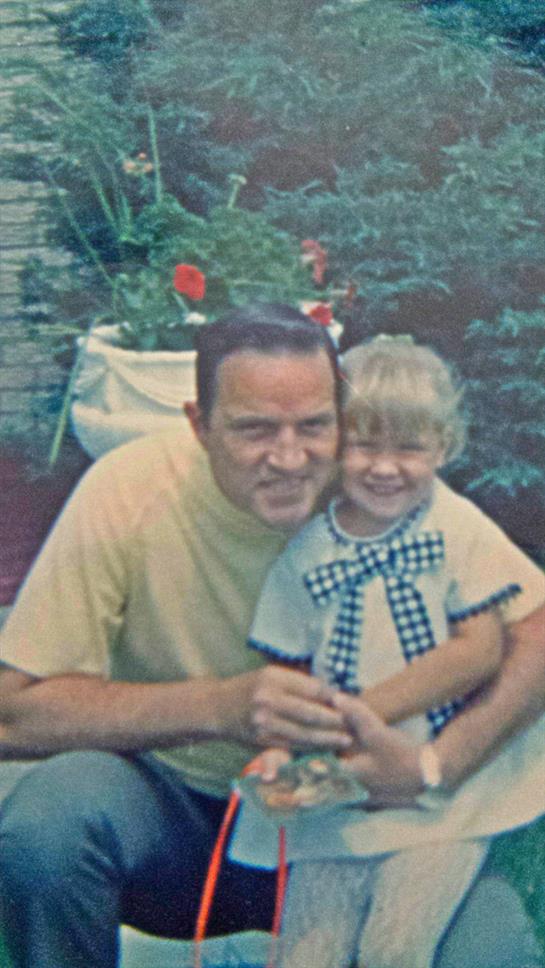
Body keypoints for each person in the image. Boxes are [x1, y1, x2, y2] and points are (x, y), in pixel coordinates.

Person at [0, 304, 542, 968]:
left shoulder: (381, 489)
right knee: (49, 823)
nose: (289, 459)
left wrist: (438, 765)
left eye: (314, 426)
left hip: (366, 818)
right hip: (184, 820)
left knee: (487, 949)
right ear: (198, 425)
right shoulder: (129, 489)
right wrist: (218, 707)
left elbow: (531, 629)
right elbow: (12, 713)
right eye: (253, 430)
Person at [229, 337, 545, 968]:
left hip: (438, 795)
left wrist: (355, 716)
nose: (385, 467)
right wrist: (276, 752)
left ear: (444, 449)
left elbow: (480, 652)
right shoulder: (308, 552)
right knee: (306, 958)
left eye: (410, 447)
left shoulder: (454, 530)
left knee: (393, 949)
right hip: (336, 801)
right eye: (365, 444)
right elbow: (285, 671)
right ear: (337, 446)